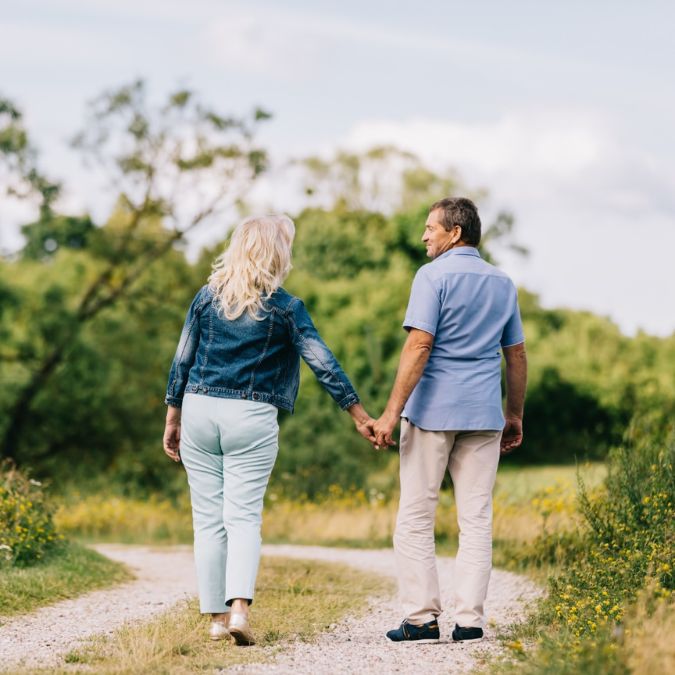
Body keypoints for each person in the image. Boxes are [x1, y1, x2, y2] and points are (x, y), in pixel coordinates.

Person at [162, 214, 376, 646]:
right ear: (279, 254)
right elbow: (322, 362)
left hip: (200, 410)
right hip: (251, 415)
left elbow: (182, 359)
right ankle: (239, 609)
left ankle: (217, 620)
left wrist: (173, 415)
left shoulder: (206, 298)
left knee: (208, 520)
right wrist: (359, 415)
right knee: (242, 517)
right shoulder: (286, 308)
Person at [373, 197, 527, 644]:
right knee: (476, 518)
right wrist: (513, 414)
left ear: (454, 232)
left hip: (432, 414)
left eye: (430, 228)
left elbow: (419, 345)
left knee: (417, 516)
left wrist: (390, 412)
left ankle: (421, 618)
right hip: (483, 414)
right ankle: (470, 621)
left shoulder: (431, 276)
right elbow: (515, 354)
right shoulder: (502, 282)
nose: (424, 236)